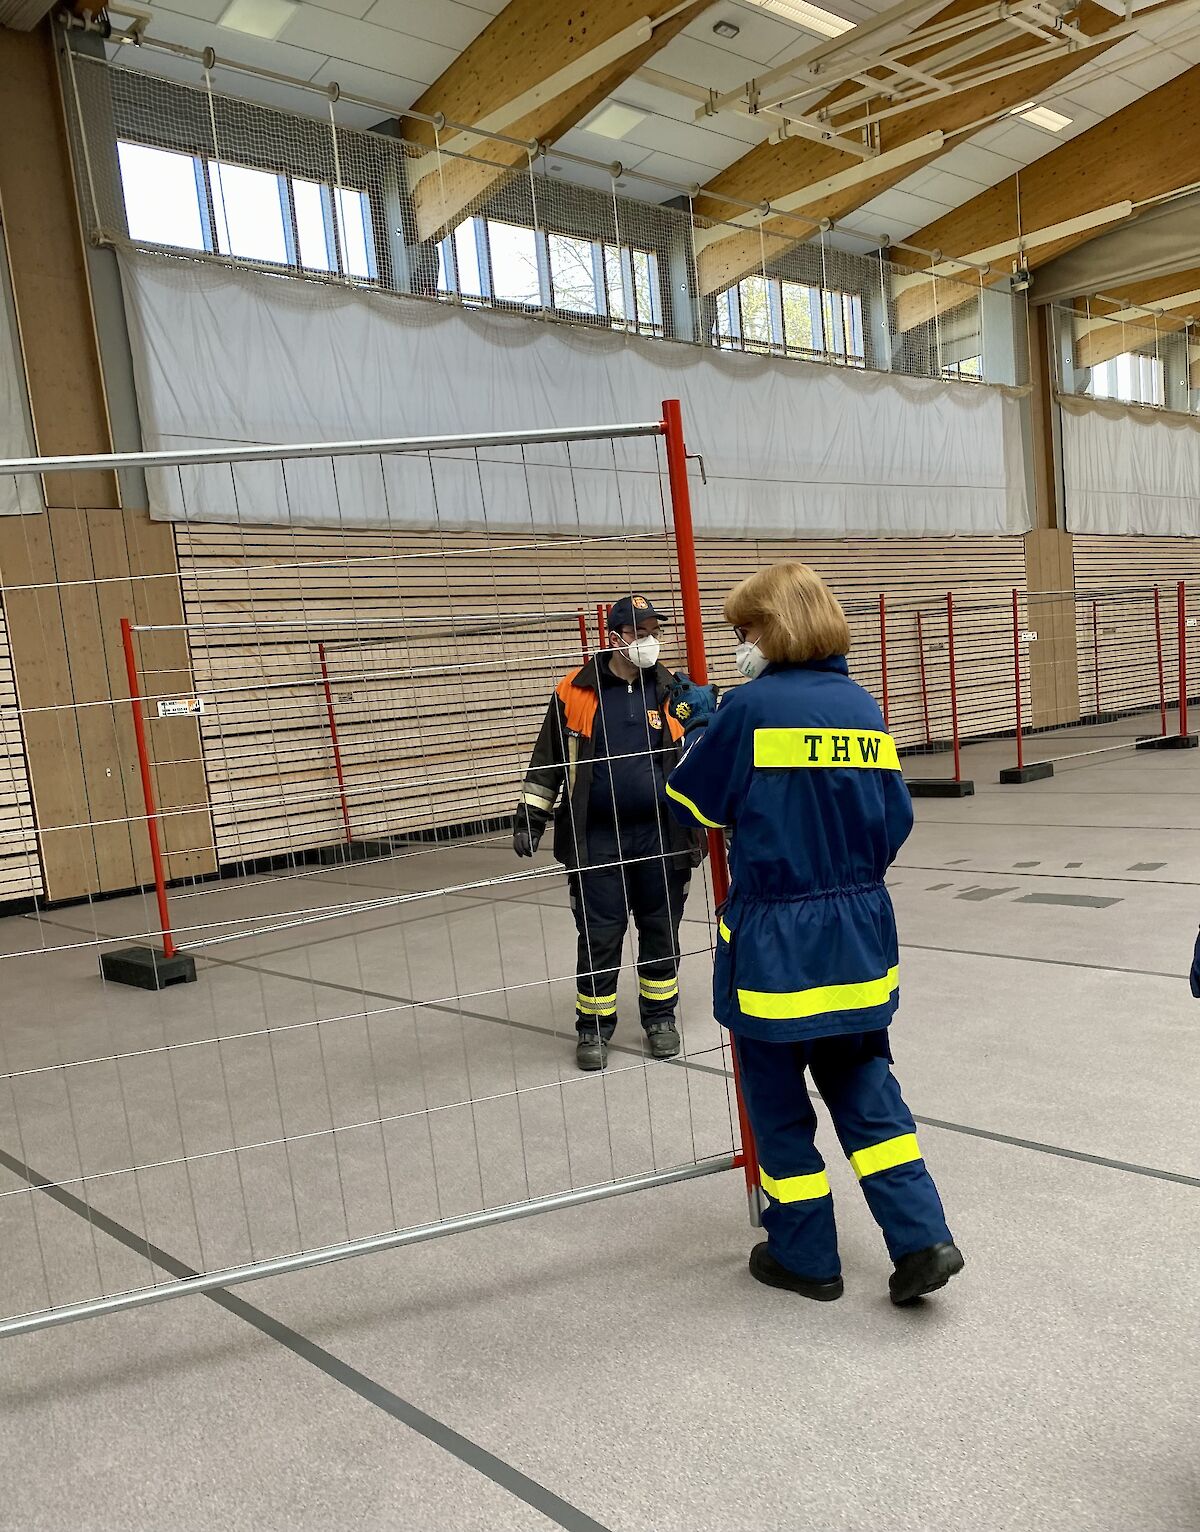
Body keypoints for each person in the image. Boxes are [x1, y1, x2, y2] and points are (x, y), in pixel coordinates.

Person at [664, 562, 964, 1306]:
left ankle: (806, 1256)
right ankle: (922, 1238)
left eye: (745, 630)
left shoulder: (750, 708)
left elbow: (694, 804)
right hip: (860, 935)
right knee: (867, 1089)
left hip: (775, 944)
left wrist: (702, 723)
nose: (740, 643)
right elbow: (895, 821)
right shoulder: (863, 707)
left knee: (778, 1104)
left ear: (774, 628)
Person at [514, 595, 706, 1073]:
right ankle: (593, 1027)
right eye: (639, 633)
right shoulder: (573, 692)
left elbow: (704, 750)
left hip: (662, 836)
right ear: (614, 636)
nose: (650, 642)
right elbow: (548, 762)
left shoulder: (672, 690)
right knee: (600, 934)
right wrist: (531, 815)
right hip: (596, 838)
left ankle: (660, 1018)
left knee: (661, 927)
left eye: (654, 632)